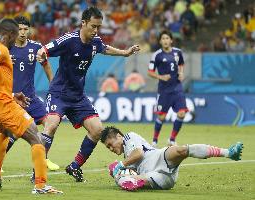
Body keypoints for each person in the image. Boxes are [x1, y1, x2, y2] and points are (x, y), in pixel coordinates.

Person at [36, 7, 140, 182]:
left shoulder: (95, 41)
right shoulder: (69, 40)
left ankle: (75, 166)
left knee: (97, 129)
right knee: (51, 125)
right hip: (59, 93)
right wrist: (41, 55)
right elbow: (44, 50)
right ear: (83, 23)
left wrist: (125, 53)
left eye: (98, 27)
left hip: (78, 96)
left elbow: (104, 48)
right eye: (93, 26)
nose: (96, 31)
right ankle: (38, 172)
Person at [0, 18, 62, 194]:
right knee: (36, 136)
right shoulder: (1, 49)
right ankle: (41, 186)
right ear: (10, 34)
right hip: (1, 106)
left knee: (6, 133)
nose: (17, 40)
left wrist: (12, 95)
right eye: (15, 34)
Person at [100, 126, 243, 191]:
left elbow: (139, 154)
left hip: (159, 158)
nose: (111, 149)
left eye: (110, 145)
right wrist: (119, 174)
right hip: (159, 179)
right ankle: (132, 183)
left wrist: (120, 164)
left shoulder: (128, 137)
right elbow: (129, 170)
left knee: (182, 150)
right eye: (108, 148)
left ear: (118, 136)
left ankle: (228, 153)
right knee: (126, 178)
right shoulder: (126, 160)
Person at [4, 15, 59, 171]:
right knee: (15, 131)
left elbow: (47, 67)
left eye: (25, 29)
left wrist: (54, 87)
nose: (22, 32)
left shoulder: (35, 47)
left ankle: (44, 158)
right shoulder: (6, 48)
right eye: (19, 29)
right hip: (13, 98)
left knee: (50, 123)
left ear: (29, 30)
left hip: (31, 98)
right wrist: (5, 60)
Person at [148, 30, 187, 147]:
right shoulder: (157, 55)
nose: (165, 41)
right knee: (162, 116)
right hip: (164, 90)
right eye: (163, 39)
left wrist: (181, 73)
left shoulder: (178, 52)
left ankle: (172, 139)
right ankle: (154, 140)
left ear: (171, 40)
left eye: (167, 38)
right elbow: (150, 72)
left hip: (177, 88)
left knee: (181, 114)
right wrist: (161, 77)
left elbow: (181, 64)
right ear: (160, 41)